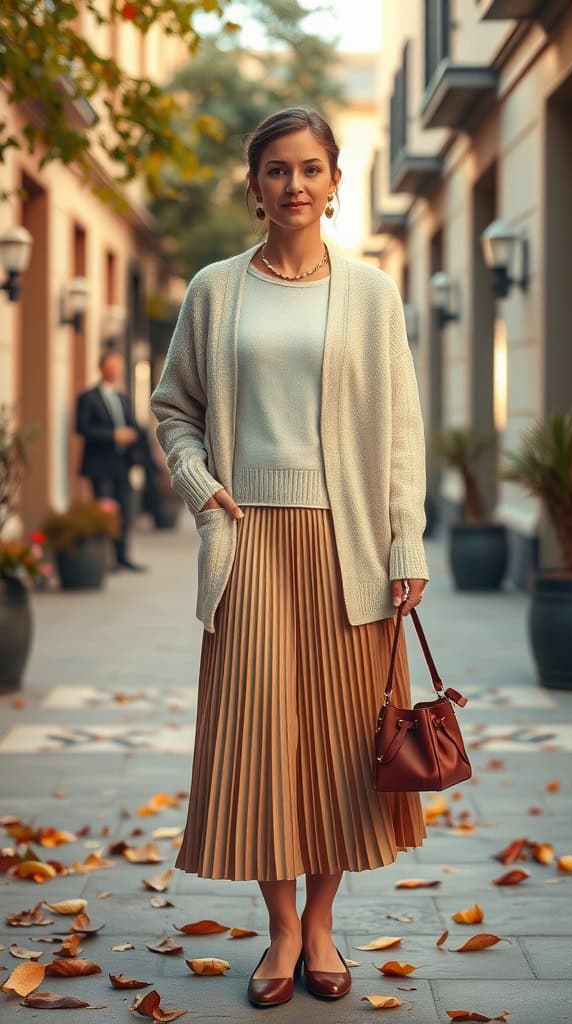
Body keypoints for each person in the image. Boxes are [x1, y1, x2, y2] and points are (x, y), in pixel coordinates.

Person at [150, 106, 429, 1008]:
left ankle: (322, 924)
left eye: (311, 168)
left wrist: (405, 537)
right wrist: (198, 483)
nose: (295, 185)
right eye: (277, 170)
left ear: (337, 182)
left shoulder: (373, 294)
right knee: (262, 735)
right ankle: (277, 932)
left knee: (346, 740)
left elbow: (400, 434)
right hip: (249, 542)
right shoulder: (215, 290)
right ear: (255, 185)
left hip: (348, 544)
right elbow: (173, 409)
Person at [76, 349, 148, 572]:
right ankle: (104, 557)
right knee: (105, 509)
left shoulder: (122, 397)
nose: (115, 370)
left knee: (124, 511)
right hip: (99, 463)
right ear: (101, 368)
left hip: (121, 463)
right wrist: (113, 435)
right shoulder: (88, 398)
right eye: (111, 366)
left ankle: (121, 556)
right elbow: (82, 428)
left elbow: (133, 424)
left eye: (118, 366)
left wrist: (134, 435)